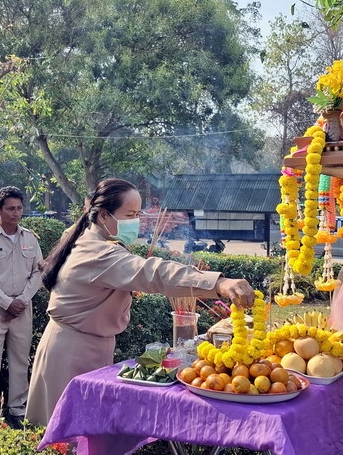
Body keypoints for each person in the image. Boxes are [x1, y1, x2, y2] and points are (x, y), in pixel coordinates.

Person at [25, 178, 255, 425]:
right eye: (130, 215)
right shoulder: (99, 253)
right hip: (72, 353)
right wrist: (218, 283)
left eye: (138, 214)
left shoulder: (91, 239)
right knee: (68, 432)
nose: (136, 221)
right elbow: (153, 272)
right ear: (103, 215)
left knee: (89, 429)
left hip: (83, 344)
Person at [0, 186, 43, 427]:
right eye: (11, 208)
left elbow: (38, 272)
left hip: (22, 307)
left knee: (20, 359)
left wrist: (21, 300)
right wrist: (6, 302)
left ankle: (17, 408)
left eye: (19, 208)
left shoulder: (30, 238)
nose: (16, 213)